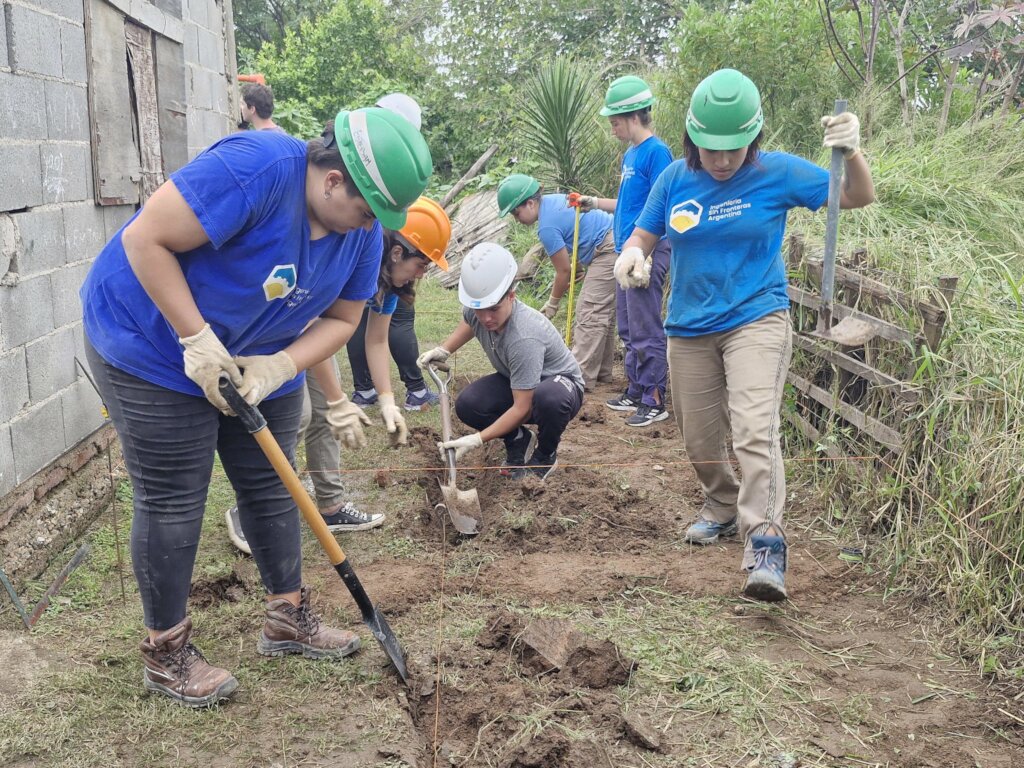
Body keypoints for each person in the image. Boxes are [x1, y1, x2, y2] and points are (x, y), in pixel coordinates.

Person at [80, 106, 432, 707]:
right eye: (366, 209)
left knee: (272, 481)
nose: (370, 226)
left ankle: (286, 618)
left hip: (255, 355)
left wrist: (280, 366)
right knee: (175, 496)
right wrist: (196, 340)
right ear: (332, 181)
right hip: (151, 345)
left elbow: (345, 319)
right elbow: (145, 238)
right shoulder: (257, 169)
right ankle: (166, 653)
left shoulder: (361, 238)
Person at [619, 69, 874, 602]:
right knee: (699, 439)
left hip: (756, 318)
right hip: (689, 325)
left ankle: (765, 541)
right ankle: (720, 505)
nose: (721, 159)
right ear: (692, 139)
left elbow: (857, 197)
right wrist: (633, 254)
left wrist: (851, 151)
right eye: (710, 148)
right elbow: (647, 230)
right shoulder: (672, 178)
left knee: (755, 429)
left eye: (733, 148)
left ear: (753, 138)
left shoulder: (777, 173)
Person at [417, 243, 584, 480]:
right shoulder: (478, 311)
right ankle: (518, 439)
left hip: (560, 387)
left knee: (549, 398)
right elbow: (469, 322)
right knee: (468, 404)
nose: (486, 318)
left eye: (493, 309)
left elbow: (522, 407)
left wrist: (478, 439)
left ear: (511, 296)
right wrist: (444, 350)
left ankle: (545, 456)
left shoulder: (524, 336)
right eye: (479, 309)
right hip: (517, 380)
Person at [577, 75, 674, 428]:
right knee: (629, 325)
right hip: (623, 253)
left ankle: (654, 397)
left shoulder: (656, 152)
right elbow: (629, 204)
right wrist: (593, 203)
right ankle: (636, 388)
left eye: (614, 121)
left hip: (645, 254)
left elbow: (664, 205)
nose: (612, 127)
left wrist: (645, 254)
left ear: (633, 115)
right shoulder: (631, 154)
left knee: (646, 325)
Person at [497, 174, 617, 391]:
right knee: (601, 312)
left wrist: (552, 305)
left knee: (589, 311)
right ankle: (601, 373)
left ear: (531, 203)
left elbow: (563, 271)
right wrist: (578, 265)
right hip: (614, 238)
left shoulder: (546, 227)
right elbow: (575, 232)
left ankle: (577, 380)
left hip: (607, 248)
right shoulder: (552, 201)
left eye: (516, 212)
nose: (517, 218)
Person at [347, 197, 451, 412]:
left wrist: (387, 399)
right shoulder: (352, 263)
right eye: (420, 265)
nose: (421, 275)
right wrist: (334, 398)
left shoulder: (391, 282)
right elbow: (314, 323)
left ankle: (365, 392)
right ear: (396, 253)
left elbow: (376, 340)